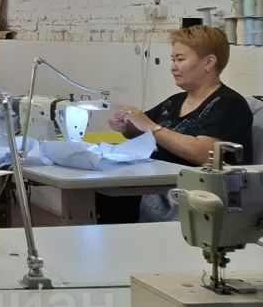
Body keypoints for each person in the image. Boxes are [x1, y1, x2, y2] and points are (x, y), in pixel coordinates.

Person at [105, 25, 254, 223]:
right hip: (153, 190)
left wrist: (152, 128)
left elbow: (204, 153)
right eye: (172, 59)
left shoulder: (229, 104)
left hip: (192, 202)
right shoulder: (174, 102)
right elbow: (140, 130)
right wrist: (126, 125)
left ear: (209, 62)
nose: (173, 67)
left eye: (180, 59)